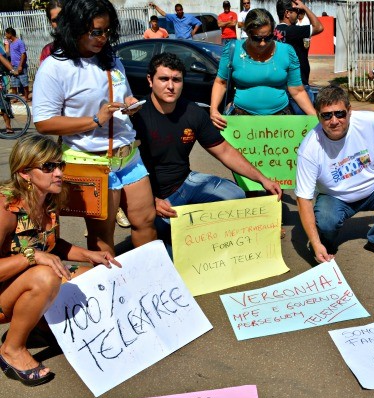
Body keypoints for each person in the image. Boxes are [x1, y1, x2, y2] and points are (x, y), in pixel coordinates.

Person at [33, 0, 157, 256]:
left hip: (129, 156)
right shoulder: (55, 67)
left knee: (145, 221)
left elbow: (123, 95)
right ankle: (111, 292)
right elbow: (44, 122)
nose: (104, 38)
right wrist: (95, 120)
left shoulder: (110, 58)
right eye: (96, 32)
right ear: (75, 28)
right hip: (93, 160)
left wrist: (129, 103)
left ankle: (150, 282)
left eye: (108, 31)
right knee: (102, 235)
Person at [131, 53, 282, 257]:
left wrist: (262, 179)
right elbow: (125, 170)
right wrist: (152, 201)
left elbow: (225, 151)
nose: (170, 86)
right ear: (150, 80)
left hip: (185, 182)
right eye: (163, 79)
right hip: (153, 196)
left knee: (236, 196)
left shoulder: (192, 112)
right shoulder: (136, 117)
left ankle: (199, 234)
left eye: (176, 79)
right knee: (169, 254)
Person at [0, 135, 120, 386]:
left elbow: (51, 245)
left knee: (90, 275)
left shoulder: (49, 200)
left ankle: (41, 326)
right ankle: (12, 350)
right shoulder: (5, 209)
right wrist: (31, 257)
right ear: (25, 173)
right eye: (48, 167)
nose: (58, 173)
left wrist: (89, 255)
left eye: (59, 165)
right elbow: (37, 253)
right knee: (47, 275)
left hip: (17, 284)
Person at [295, 85, 374, 264]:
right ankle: (325, 243)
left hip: (373, 189)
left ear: (350, 111)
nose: (334, 121)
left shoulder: (369, 121)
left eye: (339, 113)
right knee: (326, 220)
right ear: (318, 115)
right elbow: (303, 199)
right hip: (335, 197)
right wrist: (315, 242)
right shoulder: (309, 148)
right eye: (326, 115)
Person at [210, 8, 315, 128]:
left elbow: (297, 91)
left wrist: (314, 117)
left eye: (268, 37)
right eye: (257, 38)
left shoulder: (287, 51)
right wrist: (213, 109)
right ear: (247, 33)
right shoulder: (232, 49)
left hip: (281, 120)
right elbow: (221, 82)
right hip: (241, 120)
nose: (263, 43)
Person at [274, 0, 324, 89]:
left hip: (281, 83)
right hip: (298, 84)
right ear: (287, 13)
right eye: (296, 11)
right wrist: (304, 7)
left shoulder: (273, 32)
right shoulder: (294, 31)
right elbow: (319, 27)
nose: (298, 14)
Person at [4, 28, 30, 102]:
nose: (6, 35)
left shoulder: (20, 42)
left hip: (20, 66)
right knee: (14, 83)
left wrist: (20, 65)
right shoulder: (11, 43)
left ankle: (26, 97)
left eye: (6, 34)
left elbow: (23, 54)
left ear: (10, 34)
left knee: (24, 83)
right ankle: (15, 97)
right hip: (13, 66)